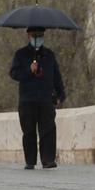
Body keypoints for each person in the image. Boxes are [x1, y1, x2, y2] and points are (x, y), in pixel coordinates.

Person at [9, 27, 66, 170]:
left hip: (46, 99)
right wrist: (30, 70)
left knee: (48, 131)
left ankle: (48, 160)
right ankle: (30, 161)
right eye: (35, 35)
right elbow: (14, 74)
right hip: (27, 100)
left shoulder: (49, 55)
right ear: (28, 35)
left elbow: (56, 77)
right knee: (29, 132)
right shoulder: (21, 54)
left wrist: (60, 95)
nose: (38, 38)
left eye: (40, 35)